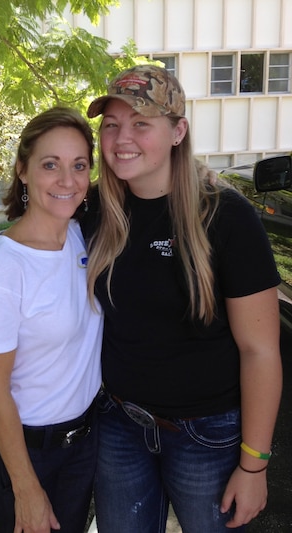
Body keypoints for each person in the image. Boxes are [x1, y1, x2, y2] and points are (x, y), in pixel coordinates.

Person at [81, 65, 283, 533]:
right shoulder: (93, 210)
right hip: (118, 425)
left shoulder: (227, 217)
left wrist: (254, 465)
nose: (121, 138)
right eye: (111, 124)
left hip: (206, 434)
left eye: (140, 123)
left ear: (178, 131)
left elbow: (260, 351)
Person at [0, 107, 103, 533]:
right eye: (51, 165)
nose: (67, 181)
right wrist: (26, 487)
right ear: (23, 171)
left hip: (84, 442)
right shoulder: (6, 268)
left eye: (79, 165)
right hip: (28, 453)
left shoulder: (81, 232)